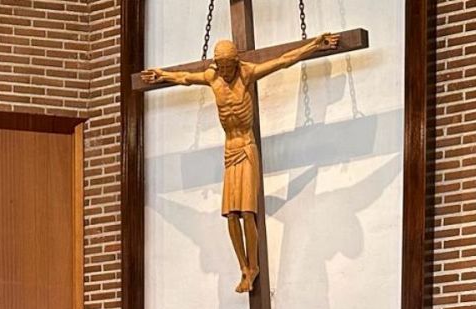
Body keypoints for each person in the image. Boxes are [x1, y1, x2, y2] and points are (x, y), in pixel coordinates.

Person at [140, 33, 339, 293]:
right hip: (229, 150)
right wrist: (162, 74)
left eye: (227, 66)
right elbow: (185, 78)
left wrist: (314, 44)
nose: (223, 71)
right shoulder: (213, 78)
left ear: (235, 62)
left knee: (247, 212)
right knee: (230, 215)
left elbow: (283, 61)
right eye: (219, 66)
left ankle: (253, 265)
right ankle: (244, 267)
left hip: (246, 148)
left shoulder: (248, 74)